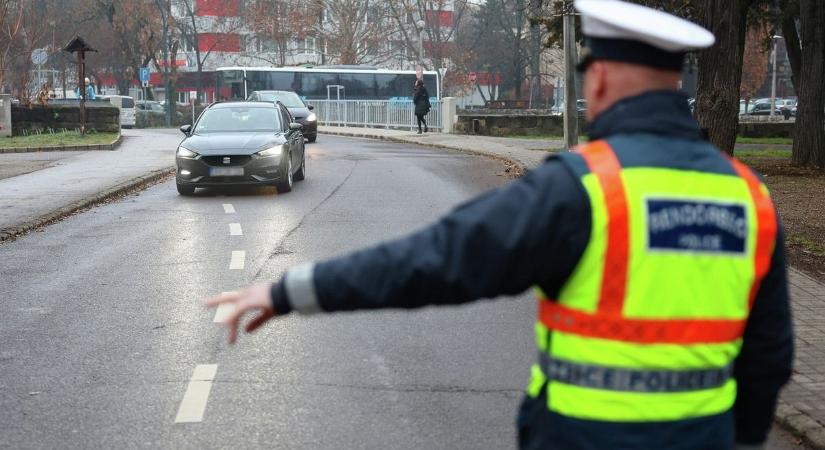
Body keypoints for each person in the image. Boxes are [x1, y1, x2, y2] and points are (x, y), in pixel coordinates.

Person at [206, 1, 793, 448]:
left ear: (602, 79)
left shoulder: (584, 188)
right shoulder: (749, 197)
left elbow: (437, 259)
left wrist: (287, 290)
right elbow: (771, 355)